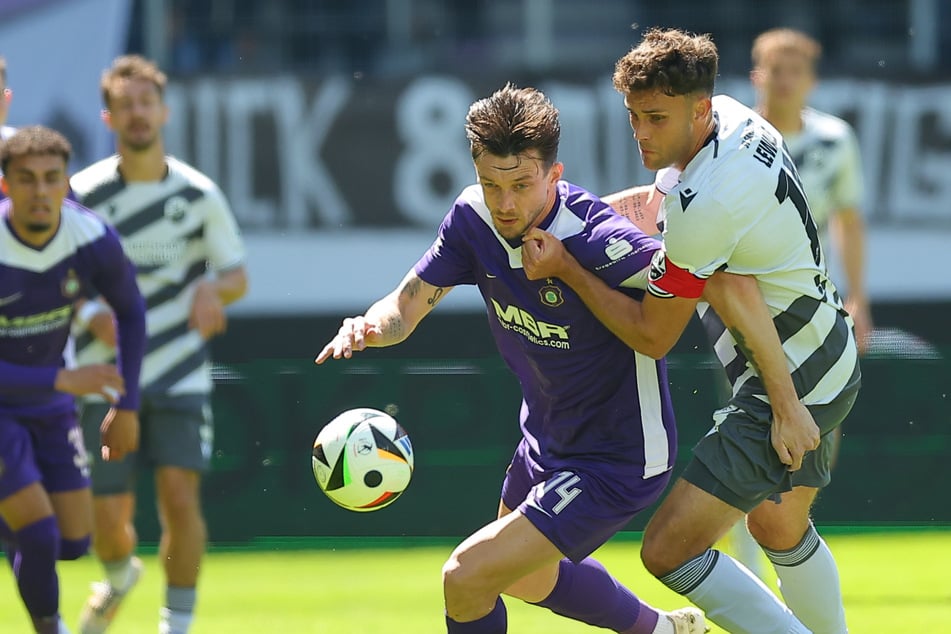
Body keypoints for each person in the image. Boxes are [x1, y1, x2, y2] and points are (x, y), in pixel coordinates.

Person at [317, 83, 706, 634]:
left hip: (618, 455)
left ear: (555, 173)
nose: (505, 203)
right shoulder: (472, 220)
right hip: (547, 441)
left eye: (521, 185)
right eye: (490, 184)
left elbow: (697, 281)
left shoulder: (595, 236)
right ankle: (663, 631)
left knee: (466, 576)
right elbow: (405, 309)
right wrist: (369, 328)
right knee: (525, 578)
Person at [521, 28, 860, 634]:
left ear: (697, 108)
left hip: (795, 376)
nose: (641, 134)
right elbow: (656, 209)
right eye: (633, 117)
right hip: (827, 349)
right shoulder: (732, 120)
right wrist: (569, 214)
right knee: (778, 526)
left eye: (656, 118)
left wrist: (568, 267)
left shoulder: (706, 205)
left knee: (668, 549)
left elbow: (656, 333)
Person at [69, 55, 248, 634]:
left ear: (163, 112)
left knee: (178, 496)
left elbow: (237, 274)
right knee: (106, 514)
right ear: (109, 116)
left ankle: (177, 623)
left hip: (179, 371)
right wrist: (91, 311)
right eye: (126, 104)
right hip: (106, 374)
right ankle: (119, 576)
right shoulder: (84, 194)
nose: (137, 114)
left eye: (146, 102)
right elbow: (53, 277)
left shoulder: (197, 194)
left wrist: (210, 289)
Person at [722, 26, 874, 584]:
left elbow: (848, 220)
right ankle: (747, 569)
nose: (784, 80)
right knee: (744, 430)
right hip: (741, 311)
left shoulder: (835, 141)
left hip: (815, 315)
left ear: (811, 79)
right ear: (757, 74)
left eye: (796, 70)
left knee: (813, 441)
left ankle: (792, 549)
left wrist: (859, 296)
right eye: (774, 68)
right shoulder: (740, 140)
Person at [0, 125, 146, 634]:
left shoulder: (91, 237)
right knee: (38, 535)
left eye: (51, 179)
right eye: (26, 179)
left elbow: (131, 311)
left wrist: (126, 406)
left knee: (72, 542)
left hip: (48, 406)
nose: (40, 191)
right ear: (6, 186)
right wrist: (66, 382)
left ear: (66, 184)